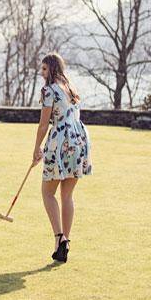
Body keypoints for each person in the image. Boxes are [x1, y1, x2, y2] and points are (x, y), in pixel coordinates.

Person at [32, 52, 92, 263]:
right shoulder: (70, 88)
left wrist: (36, 148)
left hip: (60, 142)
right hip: (78, 141)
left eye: (45, 69)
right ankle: (65, 241)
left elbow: (43, 124)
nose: (42, 73)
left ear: (53, 69)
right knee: (67, 195)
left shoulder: (49, 91)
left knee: (47, 192)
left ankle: (59, 237)